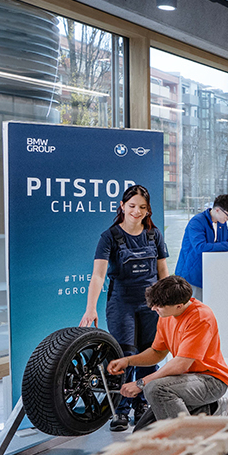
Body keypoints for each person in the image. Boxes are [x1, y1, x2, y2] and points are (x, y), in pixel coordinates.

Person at [80, 184, 169, 430]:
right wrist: (91, 308)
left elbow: (163, 273)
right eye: (132, 206)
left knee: (149, 354)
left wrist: (169, 306)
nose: (137, 211)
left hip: (152, 306)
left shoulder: (154, 234)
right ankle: (119, 409)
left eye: (142, 207)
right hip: (122, 304)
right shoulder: (110, 236)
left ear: (148, 209)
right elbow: (98, 275)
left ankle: (143, 403)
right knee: (125, 356)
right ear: (122, 206)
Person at [106, 275, 228, 421]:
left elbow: (180, 364)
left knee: (155, 389)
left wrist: (140, 383)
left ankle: (184, 438)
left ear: (179, 305)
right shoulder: (166, 314)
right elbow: (157, 352)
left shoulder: (201, 317)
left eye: (158, 306)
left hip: (211, 381)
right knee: (144, 432)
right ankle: (208, 408)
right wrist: (127, 361)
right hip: (184, 380)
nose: (153, 308)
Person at [176, 193, 228, 297]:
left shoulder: (221, 224)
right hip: (191, 275)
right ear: (217, 210)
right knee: (194, 309)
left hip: (209, 273)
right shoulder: (197, 222)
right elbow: (200, 247)